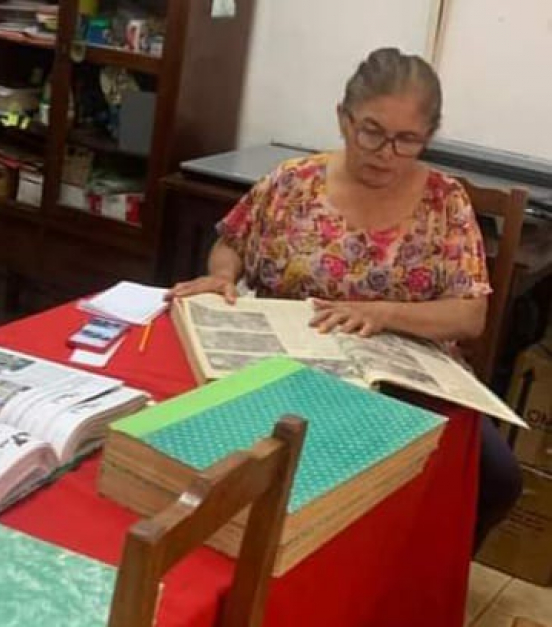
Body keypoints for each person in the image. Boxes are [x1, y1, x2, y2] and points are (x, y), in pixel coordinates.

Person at [168, 47, 521, 549]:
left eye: (407, 141)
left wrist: (382, 313)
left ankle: (415, 574)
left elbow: (470, 315)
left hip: (401, 379)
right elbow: (232, 240)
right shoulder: (292, 182)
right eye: (372, 132)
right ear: (343, 118)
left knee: (500, 480)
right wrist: (223, 277)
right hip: (289, 370)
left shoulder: (446, 201)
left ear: (428, 137)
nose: (385, 153)